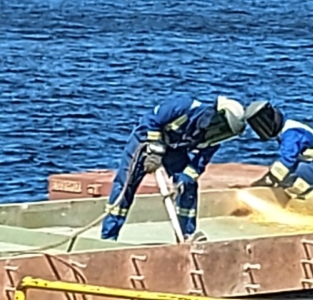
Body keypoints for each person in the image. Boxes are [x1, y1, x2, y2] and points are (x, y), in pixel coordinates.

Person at [101, 94, 246, 242]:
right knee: (125, 186)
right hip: (145, 142)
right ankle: (108, 236)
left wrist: (185, 178)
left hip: (174, 150)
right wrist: (154, 149)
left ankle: (186, 235)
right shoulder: (183, 106)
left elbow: (198, 164)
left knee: (189, 186)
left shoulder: (213, 139)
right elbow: (150, 120)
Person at [244, 100, 313, 201]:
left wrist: (269, 179)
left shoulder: (291, 133)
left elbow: (287, 160)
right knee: (284, 175)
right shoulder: (286, 129)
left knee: (288, 177)